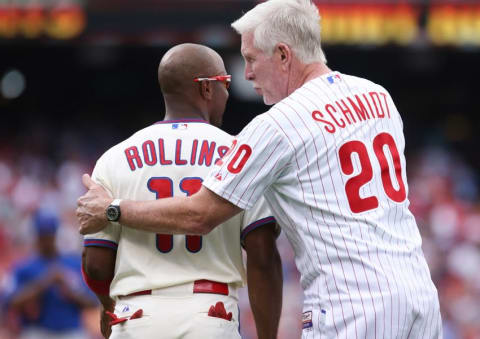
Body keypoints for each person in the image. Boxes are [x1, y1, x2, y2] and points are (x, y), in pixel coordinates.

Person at [77, 1, 442, 338]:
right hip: (418, 293)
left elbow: (200, 214)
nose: (247, 74)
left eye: (251, 59)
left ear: (283, 54)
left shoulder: (278, 125)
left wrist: (114, 209)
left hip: (350, 302)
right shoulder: (377, 96)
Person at [80, 43, 282, 339]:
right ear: (207, 90)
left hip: (134, 317)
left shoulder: (114, 158)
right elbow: (263, 257)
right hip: (210, 314)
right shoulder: (240, 154)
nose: (227, 93)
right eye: (224, 83)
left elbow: (96, 265)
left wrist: (108, 304)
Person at [4, 209, 97, 339]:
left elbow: (93, 302)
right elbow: (11, 302)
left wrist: (70, 290)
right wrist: (45, 282)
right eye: (43, 235)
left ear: (55, 234)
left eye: (49, 234)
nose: (47, 240)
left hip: (71, 330)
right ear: (37, 236)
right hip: (37, 330)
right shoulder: (24, 267)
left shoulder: (73, 264)